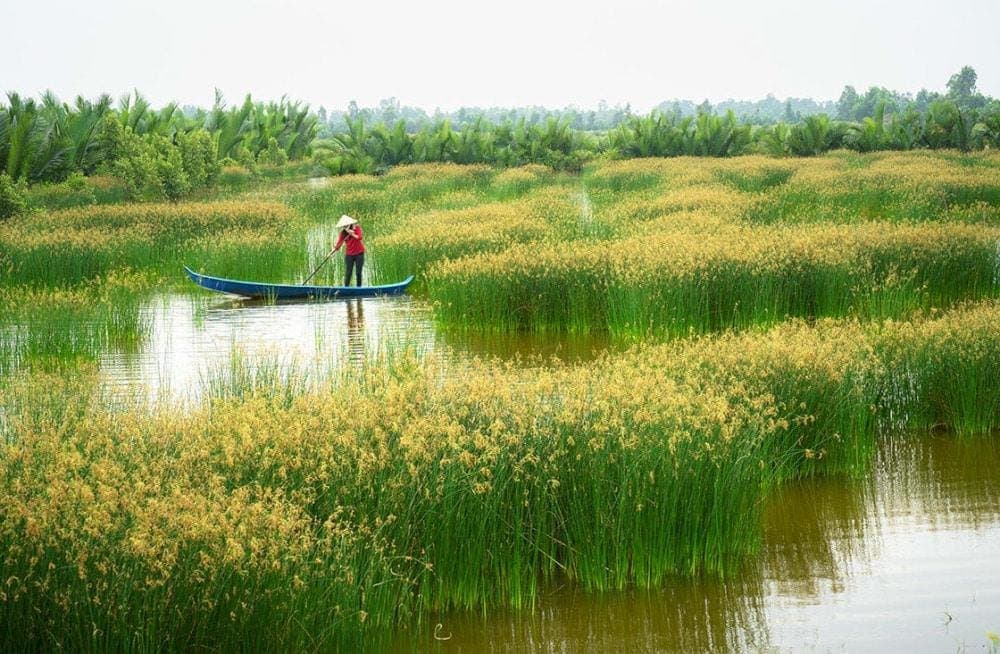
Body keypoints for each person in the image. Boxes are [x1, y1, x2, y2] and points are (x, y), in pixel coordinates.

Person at [332, 214, 365, 287]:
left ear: (350, 224)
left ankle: (359, 289)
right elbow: (339, 244)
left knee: (358, 273)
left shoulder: (357, 228)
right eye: (344, 226)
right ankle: (346, 288)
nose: (345, 227)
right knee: (348, 273)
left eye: (346, 225)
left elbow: (359, 237)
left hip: (359, 254)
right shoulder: (343, 233)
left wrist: (352, 234)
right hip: (349, 255)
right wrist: (334, 249)